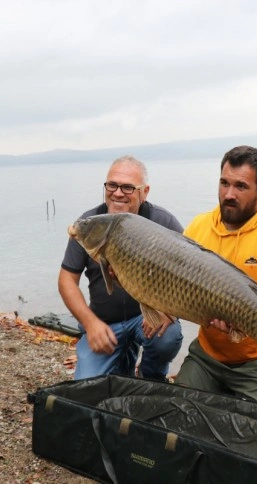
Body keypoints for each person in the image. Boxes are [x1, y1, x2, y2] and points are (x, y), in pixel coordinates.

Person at [174, 145, 257, 412]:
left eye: (240, 186)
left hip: (256, 356)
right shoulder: (199, 227)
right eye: (224, 183)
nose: (229, 194)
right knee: (180, 413)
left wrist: (239, 312)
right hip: (208, 353)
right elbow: (177, 282)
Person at [58, 155, 184, 381]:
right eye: (112, 185)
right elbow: (67, 280)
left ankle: (151, 377)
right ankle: (123, 363)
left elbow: (189, 277)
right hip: (104, 322)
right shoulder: (89, 225)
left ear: (145, 192)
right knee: (87, 386)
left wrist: (170, 311)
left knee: (168, 337)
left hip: (145, 318)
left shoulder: (164, 224)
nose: (117, 193)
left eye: (127, 187)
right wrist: (91, 323)